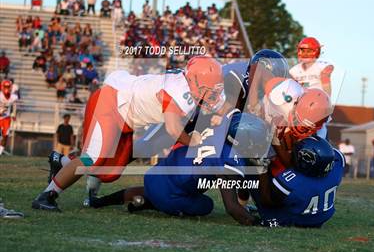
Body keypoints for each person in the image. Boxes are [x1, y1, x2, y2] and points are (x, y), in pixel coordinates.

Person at [32, 57, 225, 211]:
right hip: (110, 102)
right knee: (93, 159)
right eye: (209, 89)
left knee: (109, 173)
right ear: (194, 81)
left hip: (126, 117)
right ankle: (47, 195)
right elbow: (173, 129)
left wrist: (222, 117)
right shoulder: (177, 91)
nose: (213, 93)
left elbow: (220, 104)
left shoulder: (190, 84)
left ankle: (62, 163)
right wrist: (193, 141)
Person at [89, 113, 271, 226]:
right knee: (206, 205)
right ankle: (150, 203)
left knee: (157, 189)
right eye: (255, 142)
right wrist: (260, 223)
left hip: (156, 174)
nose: (257, 147)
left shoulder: (217, 132)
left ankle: (99, 202)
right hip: (170, 195)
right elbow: (232, 208)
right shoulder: (228, 159)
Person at [254, 135, 345, 228]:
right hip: (322, 218)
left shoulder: (291, 182)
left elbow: (266, 200)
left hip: (298, 220)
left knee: (254, 175)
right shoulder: (337, 166)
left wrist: (262, 167)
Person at [0, 80, 18, 156]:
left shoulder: (13, 97)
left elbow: (14, 105)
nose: (7, 88)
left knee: (5, 136)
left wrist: (14, 113)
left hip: (6, 118)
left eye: (8, 87)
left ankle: (0, 152)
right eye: (5, 87)